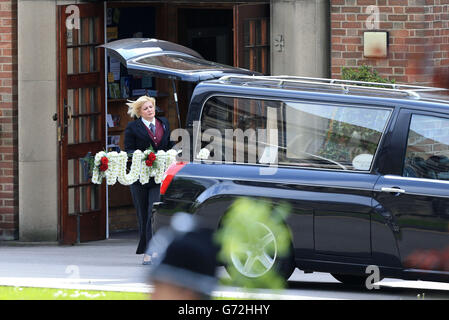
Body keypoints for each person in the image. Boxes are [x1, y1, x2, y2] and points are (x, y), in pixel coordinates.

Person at [124, 95, 173, 265]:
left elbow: (168, 146)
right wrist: (145, 157)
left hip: (158, 176)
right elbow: (129, 150)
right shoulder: (132, 127)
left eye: (151, 107)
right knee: (143, 214)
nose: (150, 110)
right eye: (145, 108)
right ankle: (146, 252)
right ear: (139, 112)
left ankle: (153, 251)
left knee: (154, 213)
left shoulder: (164, 123)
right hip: (140, 178)